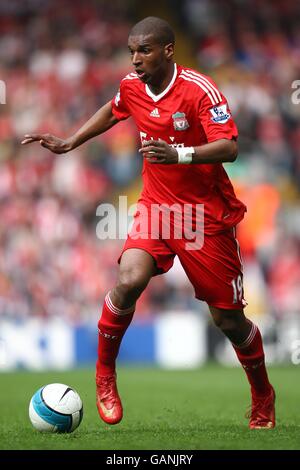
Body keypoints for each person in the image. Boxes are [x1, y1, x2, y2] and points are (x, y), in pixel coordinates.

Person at [22, 16, 275, 429]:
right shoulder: (131, 86)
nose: (136, 59)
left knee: (228, 319)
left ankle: (263, 394)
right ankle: (104, 376)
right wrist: (70, 141)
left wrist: (180, 155)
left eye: (144, 50)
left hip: (204, 217)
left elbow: (229, 145)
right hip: (157, 208)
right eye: (131, 51)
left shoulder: (199, 90)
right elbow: (114, 108)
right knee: (128, 280)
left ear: (168, 50)